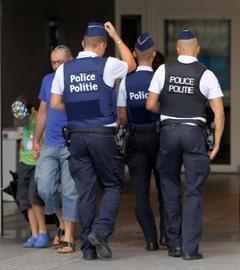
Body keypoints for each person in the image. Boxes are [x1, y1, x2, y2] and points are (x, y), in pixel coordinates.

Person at [50, 22, 136, 260]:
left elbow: (56, 104)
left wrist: (79, 109)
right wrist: (118, 37)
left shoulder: (63, 70)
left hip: (76, 137)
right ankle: (99, 231)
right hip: (103, 136)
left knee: (85, 190)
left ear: (82, 44)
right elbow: (132, 64)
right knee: (113, 185)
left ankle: (88, 251)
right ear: (102, 46)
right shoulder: (106, 64)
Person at [146, 29, 225, 260]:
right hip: (194, 134)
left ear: (178, 50)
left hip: (168, 133)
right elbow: (218, 112)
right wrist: (217, 143)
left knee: (169, 189)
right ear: (197, 50)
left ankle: (174, 245)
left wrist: (167, 114)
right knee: (193, 191)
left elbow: (150, 104)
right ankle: (190, 248)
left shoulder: (163, 69)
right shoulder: (206, 73)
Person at [117, 33, 166, 251]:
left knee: (141, 194)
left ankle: (150, 240)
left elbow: (122, 117)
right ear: (154, 54)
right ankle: (168, 236)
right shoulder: (160, 77)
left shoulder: (126, 81)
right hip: (160, 138)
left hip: (136, 140)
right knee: (167, 189)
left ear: (135, 54)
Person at [33, 45, 78, 254]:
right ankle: (61, 220)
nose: (56, 65)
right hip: (50, 143)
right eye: (53, 61)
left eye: (60, 61)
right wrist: (36, 140)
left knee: (70, 190)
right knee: (44, 187)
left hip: (71, 144)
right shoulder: (47, 80)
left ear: (71, 60)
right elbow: (43, 111)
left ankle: (68, 235)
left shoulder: (78, 80)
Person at [11, 97, 49, 248]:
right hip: (23, 163)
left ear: (33, 110)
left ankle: (43, 232)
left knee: (35, 198)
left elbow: (47, 142)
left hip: (37, 164)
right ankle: (34, 234)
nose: (23, 124)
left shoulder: (41, 120)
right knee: (24, 199)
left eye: (26, 118)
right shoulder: (21, 121)